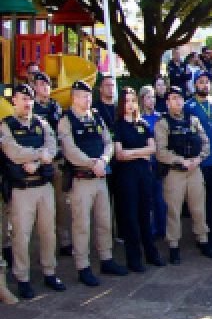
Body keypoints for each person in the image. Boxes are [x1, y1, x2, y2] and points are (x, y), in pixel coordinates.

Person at [57, 80, 128, 286]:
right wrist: (92, 164)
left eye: (89, 96)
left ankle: (106, 259)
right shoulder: (66, 120)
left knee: (105, 222)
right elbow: (70, 150)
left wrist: (103, 161)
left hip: (99, 178)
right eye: (83, 96)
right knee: (81, 226)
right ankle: (83, 266)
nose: (88, 100)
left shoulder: (96, 116)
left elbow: (108, 141)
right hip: (81, 180)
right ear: (74, 98)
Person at [0, 83, 65, 299]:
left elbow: (53, 147)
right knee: (21, 235)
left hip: (43, 186)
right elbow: (13, 152)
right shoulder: (6, 126)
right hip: (22, 190)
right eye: (22, 99)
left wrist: (36, 163)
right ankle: (22, 277)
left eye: (29, 99)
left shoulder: (42, 123)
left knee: (48, 233)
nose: (27, 103)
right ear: (14, 101)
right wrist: (39, 155)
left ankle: (49, 271)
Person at [155, 86, 212, 261]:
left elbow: (206, 143)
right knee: (173, 210)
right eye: (173, 98)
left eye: (180, 98)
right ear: (167, 102)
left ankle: (202, 239)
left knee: (198, 208)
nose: (177, 101)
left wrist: (197, 159)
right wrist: (181, 161)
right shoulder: (163, 123)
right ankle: (173, 245)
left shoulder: (193, 120)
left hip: (194, 169)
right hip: (175, 172)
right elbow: (161, 151)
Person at [112, 86, 163, 271]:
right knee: (130, 217)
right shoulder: (117, 125)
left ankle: (151, 253)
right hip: (126, 176)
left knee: (145, 215)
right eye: (126, 101)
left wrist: (131, 152)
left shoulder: (143, 124)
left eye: (133, 101)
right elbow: (119, 154)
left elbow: (152, 148)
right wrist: (140, 153)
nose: (130, 104)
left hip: (144, 174)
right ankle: (134, 258)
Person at [31, 71, 71, 256]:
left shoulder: (56, 106)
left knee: (61, 204)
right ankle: (45, 247)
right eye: (41, 84)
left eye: (47, 84)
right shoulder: (31, 109)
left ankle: (64, 241)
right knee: (41, 209)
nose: (45, 87)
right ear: (35, 87)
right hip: (39, 162)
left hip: (57, 161)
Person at [185, 70, 212, 250]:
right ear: (195, 85)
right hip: (200, 161)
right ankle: (202, 235)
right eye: (201, 82)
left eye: (207, 82)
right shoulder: (189, 106)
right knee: (199, 200)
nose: (204, 85)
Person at [138, 84, 168, 239]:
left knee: (160, 198)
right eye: (148, 97)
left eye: (153, 97)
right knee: (147, 199)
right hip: (145, 163)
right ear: (142, 99)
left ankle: (162, 228)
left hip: (159, 162)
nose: (151, 100)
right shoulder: (139, 119)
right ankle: (149, 230)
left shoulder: (160, 117)